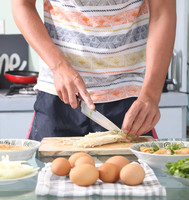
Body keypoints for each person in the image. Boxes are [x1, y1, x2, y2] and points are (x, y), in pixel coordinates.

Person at [11, 0, 176, 141]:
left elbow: (163, 11)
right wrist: (59, 66)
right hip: (60, 93)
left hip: (131, 99)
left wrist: (151, 95)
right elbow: (22, 3)